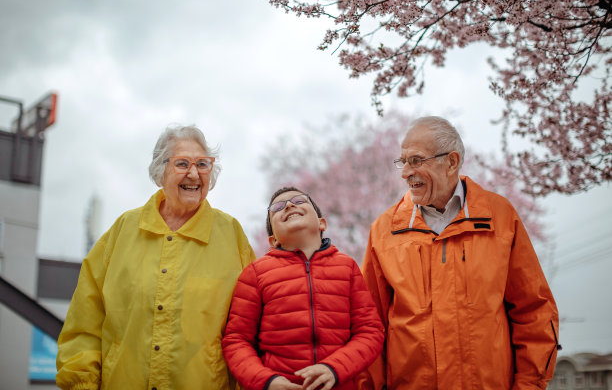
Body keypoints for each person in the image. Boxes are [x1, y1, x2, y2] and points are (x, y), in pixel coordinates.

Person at [357, 117, 560, 389]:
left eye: (416, 160)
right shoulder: (383, 230)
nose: (405, 172)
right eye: (402, 162)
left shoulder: (500, 217)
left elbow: (534, 311)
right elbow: (369, 325)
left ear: (451, 162)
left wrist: (528, 386)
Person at [56, 125, 255, 390]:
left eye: (203, 164)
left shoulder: (231, 235)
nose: (194, 174)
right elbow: (85, 323)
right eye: (182, 163)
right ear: (160, 172)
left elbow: (252, 328)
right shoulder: (122, 231)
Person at [222, 187, 384, 390]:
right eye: (278, 207)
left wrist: (334, 368)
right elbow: (237, 340)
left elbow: (370, 332)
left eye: (299, 201)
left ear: (322, 223)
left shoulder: (347, 267)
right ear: (273, 240)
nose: (289, 205)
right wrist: (266, 381)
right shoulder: (255, 274)